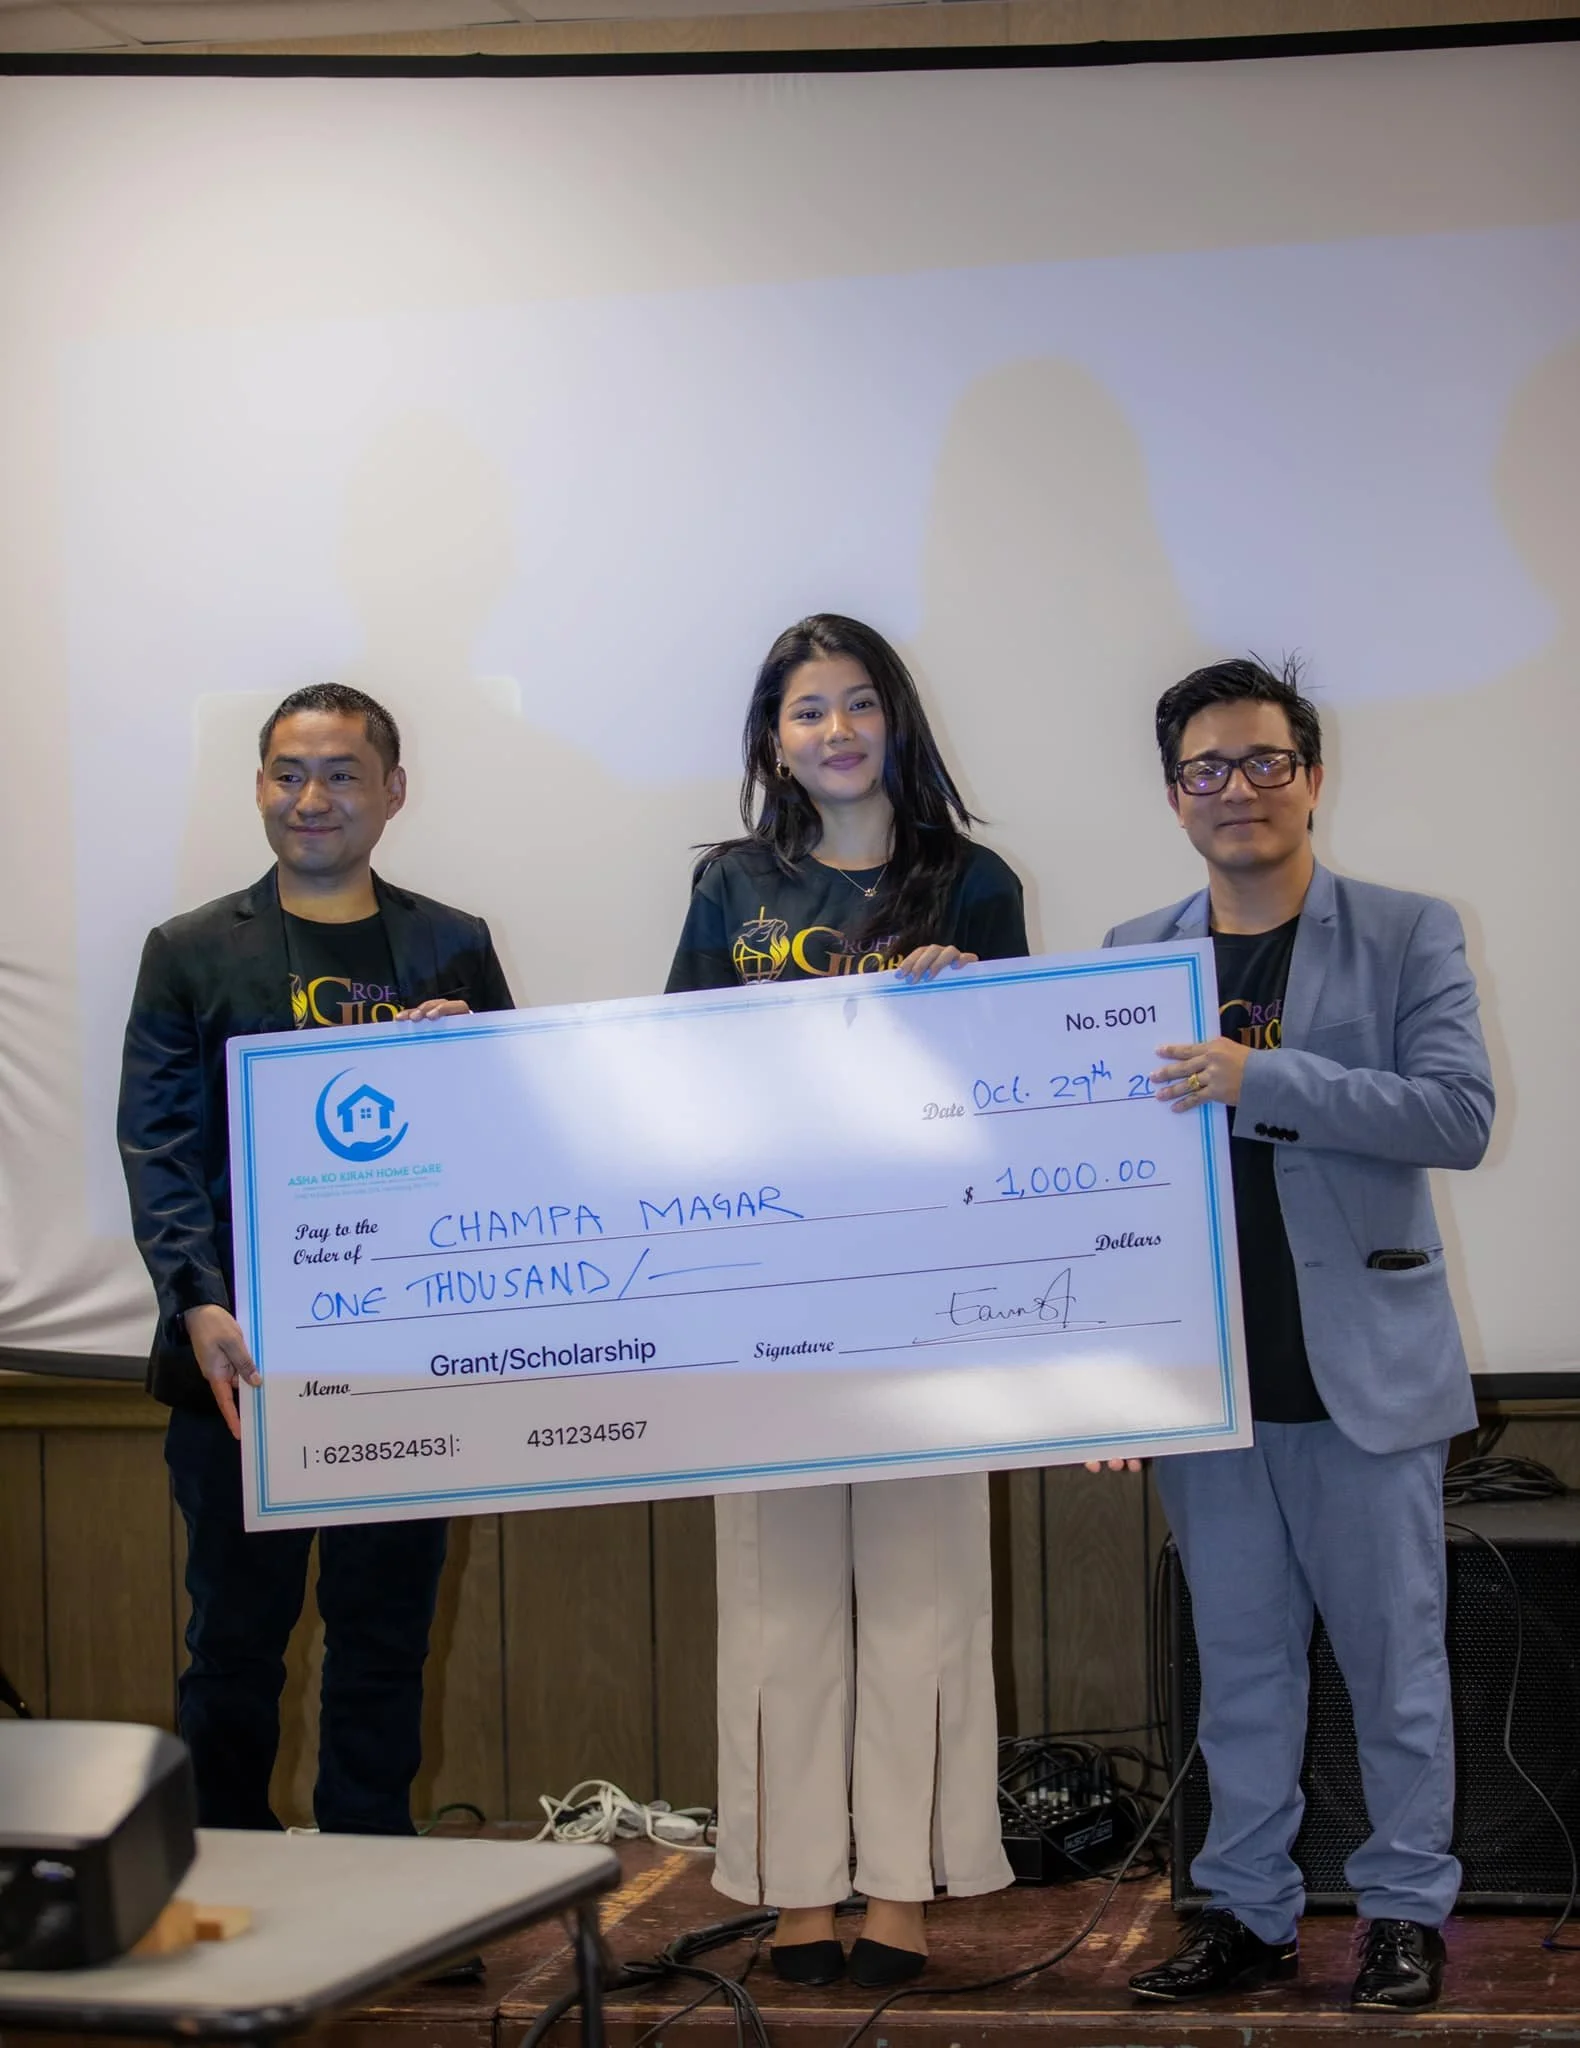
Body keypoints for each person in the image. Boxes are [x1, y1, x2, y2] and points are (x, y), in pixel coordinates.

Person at [1107, 657, 1492, 2013]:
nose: (1239, 789)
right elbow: (1100, 1183)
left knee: (1397, 1673)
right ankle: (1245, 1914)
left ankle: (1402, 1914)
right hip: (1208, 1388)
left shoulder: (1406, 931)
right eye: (1206, 769)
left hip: (1365, 1380)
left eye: (1265, 761)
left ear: (1311, 779)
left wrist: (1258, 1078)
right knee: (1241, 1674)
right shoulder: (1128, 956)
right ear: (1174, 797)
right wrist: (1110, 1382)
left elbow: (1457, 1115)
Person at [665, 613, 1022, 1990]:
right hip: (763, 1290)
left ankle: (903, 1890)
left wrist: (978, 1001)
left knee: (926, 1594)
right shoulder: (730, 886)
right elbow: (673, 1071)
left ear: (897, 719)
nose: (836, 731)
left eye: (860, 702)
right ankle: (796, 1887)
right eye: (807, 709)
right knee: (777, 1600)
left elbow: (1024, 1092)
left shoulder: (972, 882)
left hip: (928, 1290)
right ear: (774, 737)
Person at [118, 682, 514, 1837]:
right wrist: (197, 1302)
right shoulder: (189, 950)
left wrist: (471, 1065)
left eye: (342, 772)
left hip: (400, 1359)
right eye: (289, 772)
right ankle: (225, 1864)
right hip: (237, 1363)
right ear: (258, 787)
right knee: (233, 1644)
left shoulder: (451, 943)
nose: (312, 796)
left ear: (393, 791)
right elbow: (159, 1145)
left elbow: (509, 1141)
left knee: (383, 1639)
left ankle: (373, 1870)